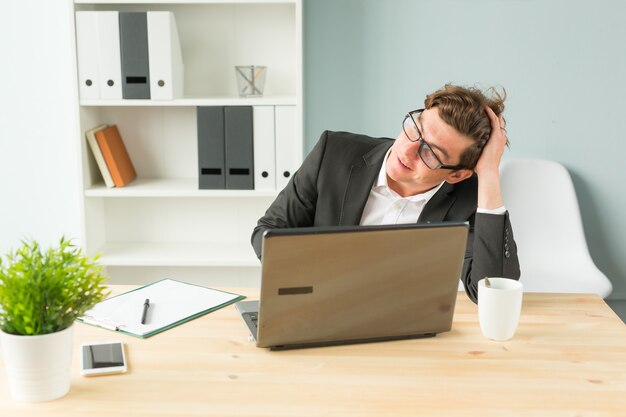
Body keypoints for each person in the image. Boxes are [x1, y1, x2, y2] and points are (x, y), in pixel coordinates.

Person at [251, 84, 520, 303]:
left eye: (431, 153)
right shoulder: (333, 152)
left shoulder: (471, 197)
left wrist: (489, 175)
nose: (407, 149)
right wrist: (320, 286)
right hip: (320, 309)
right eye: (416, 129)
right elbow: (268, 232)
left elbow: (492, 292)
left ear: (457, 174)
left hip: (410, 333)